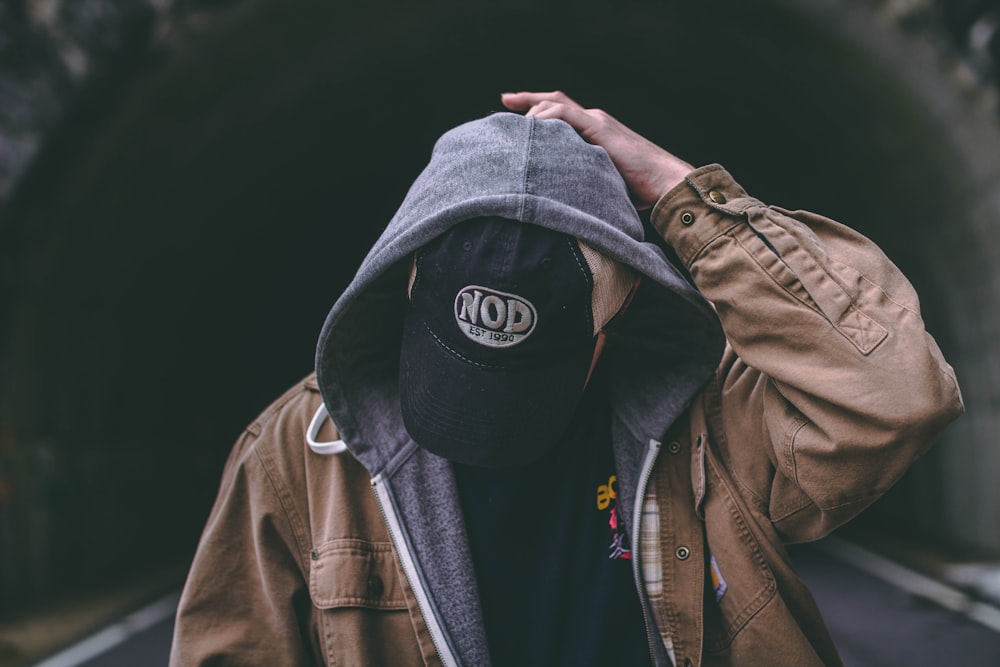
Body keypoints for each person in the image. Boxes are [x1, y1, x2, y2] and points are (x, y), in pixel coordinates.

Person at [169, 91, 963, 667]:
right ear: (405, 285)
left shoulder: (709, 421)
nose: (482, 419)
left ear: (608, 328)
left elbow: (896, 394)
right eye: (452, 360)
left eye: (523, 379)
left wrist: (678, 192)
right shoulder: (299, 453)